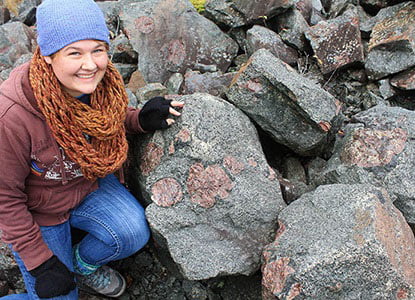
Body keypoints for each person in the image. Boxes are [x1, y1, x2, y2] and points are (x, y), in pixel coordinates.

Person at [0, 0, 184, 298]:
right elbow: (5, 199)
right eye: (75, 53)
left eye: (98, 50)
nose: (91, 64)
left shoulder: (101, 83)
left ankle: (79, 265)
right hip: (42, 211)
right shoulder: (11, 116)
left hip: (87, 185)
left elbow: (104, 123)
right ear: (47, 55)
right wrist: (41, 264)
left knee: (132, 232)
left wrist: (139, 120)